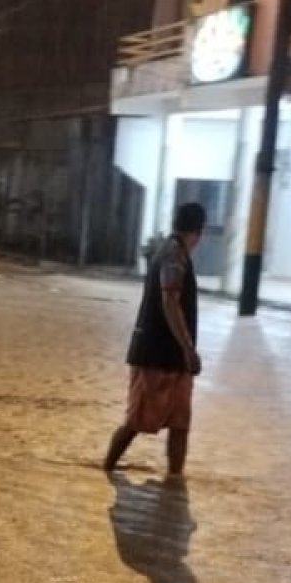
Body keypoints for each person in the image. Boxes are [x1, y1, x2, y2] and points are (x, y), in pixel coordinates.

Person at [103, 202, 207, 477]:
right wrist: (189, 349)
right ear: (198, 232)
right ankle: (106, 468)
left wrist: (185, 352)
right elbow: (170, 301)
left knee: (180, 423)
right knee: (137, 421)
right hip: (157, 355)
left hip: (171, 357)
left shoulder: (172, 253)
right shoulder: (174, 256)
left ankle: (175, 481)